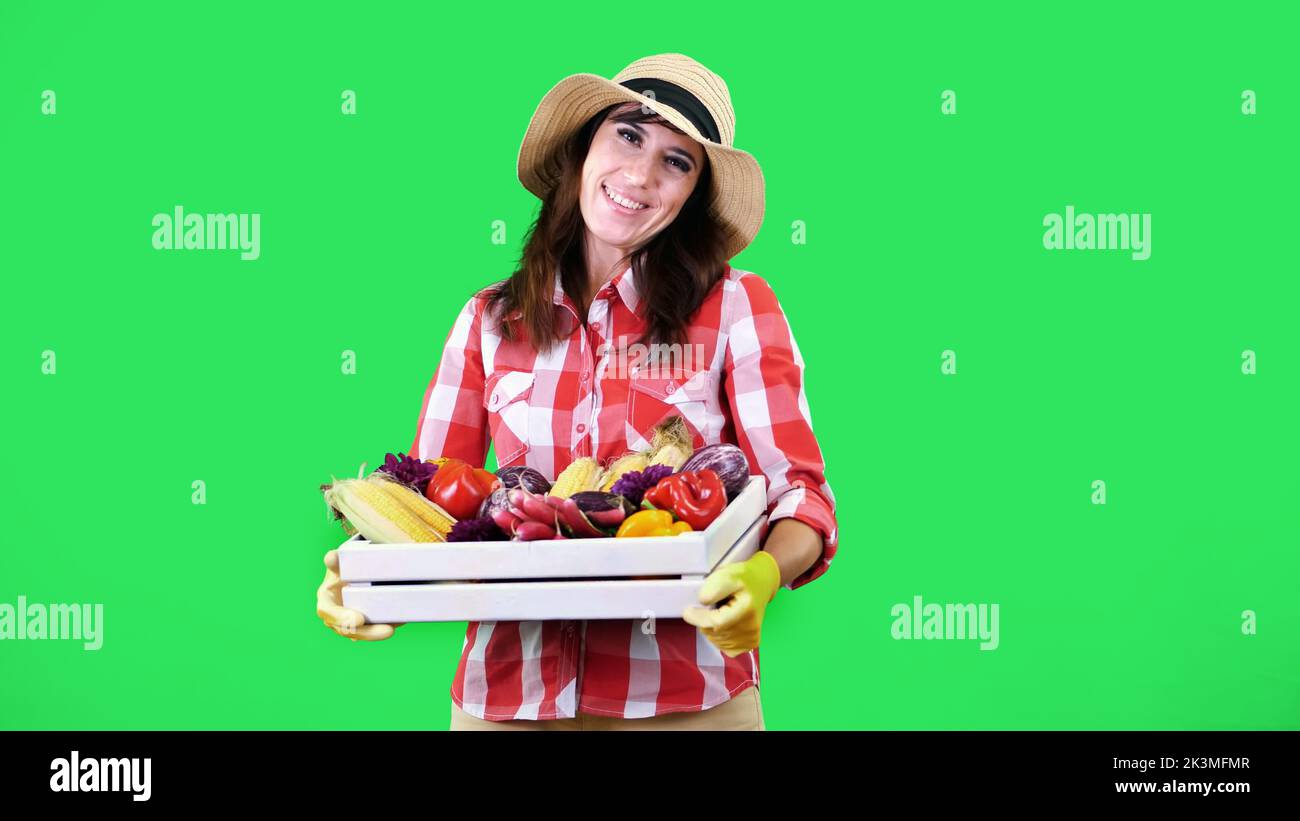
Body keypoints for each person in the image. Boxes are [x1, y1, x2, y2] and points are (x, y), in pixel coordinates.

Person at [316, 53, 838, 730]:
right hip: (509, 698)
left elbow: (801, 492)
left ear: (692, 198)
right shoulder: (488, 321)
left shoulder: (736, 307)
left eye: (677, 162)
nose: (641, 176)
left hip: (686, 702)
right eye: (629, 134)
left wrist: (766, 572)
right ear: (584, 145)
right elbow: (429, 504)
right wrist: (359, 574)